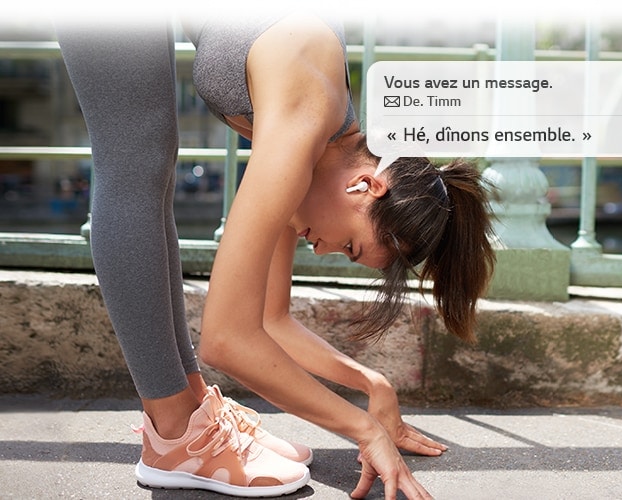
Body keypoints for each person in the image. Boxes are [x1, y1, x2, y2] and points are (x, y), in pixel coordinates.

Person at [56, 6, 495, 499]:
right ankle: (175, 431)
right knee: (137, 155)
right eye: (350, 245)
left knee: (148, 153)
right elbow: (226, 339)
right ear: (365, 185)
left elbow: (270, 320)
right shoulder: (305, 115)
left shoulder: (315, 145)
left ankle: (192, 406)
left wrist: (372, 384)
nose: (325, 251)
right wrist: (363, 429)